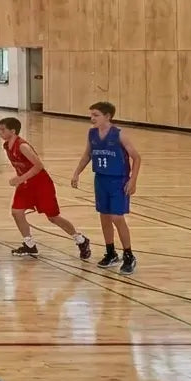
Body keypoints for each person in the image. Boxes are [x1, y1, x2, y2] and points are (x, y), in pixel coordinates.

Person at [0, 117, 90, 259]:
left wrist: (20, 179)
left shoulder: (22, 146)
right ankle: (29, 245)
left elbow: (39, 166)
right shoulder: (7, 146)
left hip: (41, 184)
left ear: (13, 131)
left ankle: (81, 240)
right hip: (26, 184)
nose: (0, 132)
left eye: (3, 129)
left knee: (53, 217)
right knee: (17, 212)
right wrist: (22, 180)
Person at [71, 101, 140, 274]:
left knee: (117, 218)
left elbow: (137, 158)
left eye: (96, 115)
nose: (92, 118)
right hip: (100, 179)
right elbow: (87, 154)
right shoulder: (92, 133)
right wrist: (77, 172)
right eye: (91, 115)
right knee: (104, 217)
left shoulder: (119, 134)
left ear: (107, 116)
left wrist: (133, 180)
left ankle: (129, 255)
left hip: (118, 180)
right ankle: (111, 252)